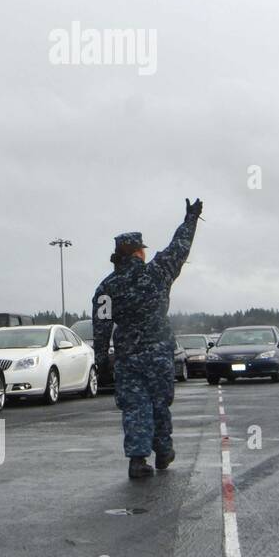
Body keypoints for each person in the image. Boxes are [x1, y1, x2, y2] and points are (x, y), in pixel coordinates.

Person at [92, 199, 202, 479]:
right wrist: (190, 219)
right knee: (159, 402)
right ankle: (163, 450)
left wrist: (101, 359)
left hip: (128, 356)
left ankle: (138, 460)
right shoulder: (157, 273)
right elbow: (179, 248)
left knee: (135, 406)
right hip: (158, 352)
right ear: (139, 252)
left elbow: (102, 326)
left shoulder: (107, 287)